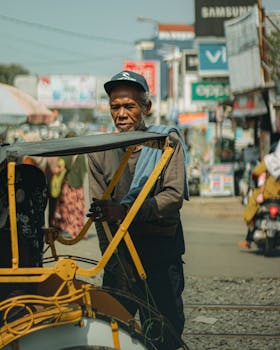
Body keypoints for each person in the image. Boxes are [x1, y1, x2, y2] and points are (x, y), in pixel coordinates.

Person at [87, 70, 188, 349]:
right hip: (121, 257)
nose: (121, 114)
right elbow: (98, 210)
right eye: (115, 107)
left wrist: (126, 210)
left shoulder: (166, 143)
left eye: (129, 106)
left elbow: (173, 196)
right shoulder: (98, 151)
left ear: (146, 107)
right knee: (110, 329)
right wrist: (113, 258)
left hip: (160, 251)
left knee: (165, 330)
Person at [239, 140, 280, 248]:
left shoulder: (270, 160)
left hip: (266, 194)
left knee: (252, 203)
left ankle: (250, 234)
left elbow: (256, 171)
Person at [51, 131, 87, 238]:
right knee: (78, 209)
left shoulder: (67, 153)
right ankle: (78, 231)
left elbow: (60, 168)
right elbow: (84, 170)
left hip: (69, 185)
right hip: (79, 186)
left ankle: (68, 230)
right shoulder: (81, 154)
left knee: (67, 208)